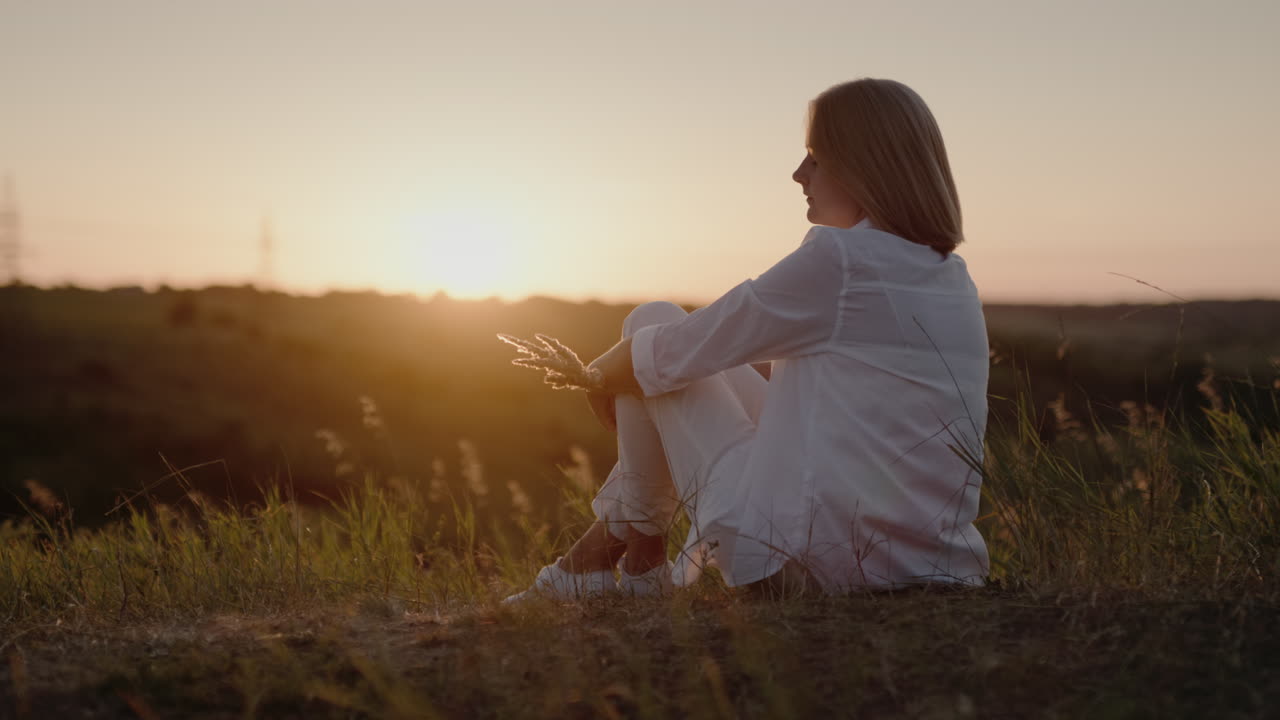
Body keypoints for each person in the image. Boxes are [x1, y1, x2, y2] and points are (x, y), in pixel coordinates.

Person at [504, 78, 990, 602]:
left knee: (649, 327)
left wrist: (595, 380)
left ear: (862, 167)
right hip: (933, 565)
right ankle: (621, 565)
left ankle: (610, 562)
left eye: (816, 159)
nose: (799, 174)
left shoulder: (842, 261)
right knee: (658, 329)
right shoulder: (952, 277)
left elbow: (678, 351)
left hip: (813, 567)